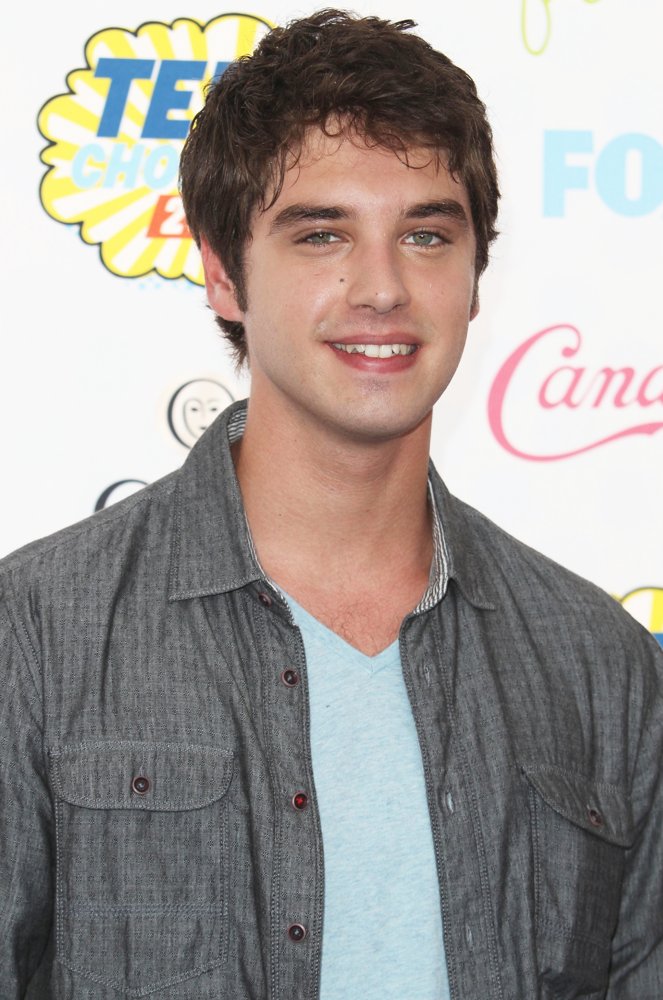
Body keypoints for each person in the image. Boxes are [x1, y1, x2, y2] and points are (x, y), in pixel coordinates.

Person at [1, 9, 661, 998]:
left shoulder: (601, 666)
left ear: (476, 277)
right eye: (322, 234)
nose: (383, 287)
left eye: (427, 234)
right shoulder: (37, 634)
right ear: (224, 274)